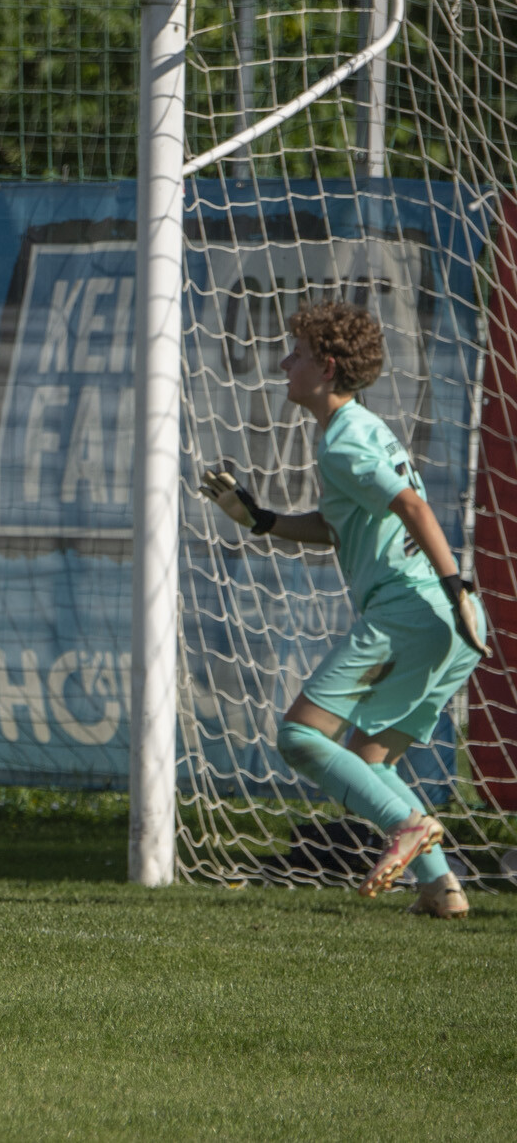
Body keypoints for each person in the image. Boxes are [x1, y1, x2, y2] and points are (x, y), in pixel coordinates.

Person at [200, 300, 486, 918]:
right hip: (446, 618)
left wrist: (455, 583)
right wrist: (263, 520)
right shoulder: (357, 428)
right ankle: (442, 890)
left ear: (326, 367)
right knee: (368, 760)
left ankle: (408, 827)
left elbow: (413, 507)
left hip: (415, 608)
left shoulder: (344, 443)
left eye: (297, 354)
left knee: (300, 736)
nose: (285, 364)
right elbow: (338, 526)